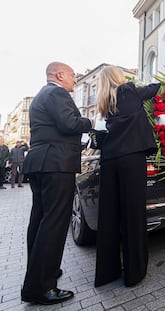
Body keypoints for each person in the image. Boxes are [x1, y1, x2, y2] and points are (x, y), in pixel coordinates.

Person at [21, 62, 92, 305]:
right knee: (54, 222)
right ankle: (41, 287)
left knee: (40, 220)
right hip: (56, 163)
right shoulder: (56, 92)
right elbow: (70, 124)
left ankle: (39, 271)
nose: (75, 79)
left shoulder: (43, 95)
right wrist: (90, 123)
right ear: (60, 75)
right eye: (73, 75)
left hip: (41, 162)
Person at [94, 66, 160, 287]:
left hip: (109, 159)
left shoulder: (104, 102)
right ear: (118, 77)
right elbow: (154, 89)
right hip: (131, 158)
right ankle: (134, 272)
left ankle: (107, 272)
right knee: (133, 214)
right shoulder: (128, 90)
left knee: (109, 215)